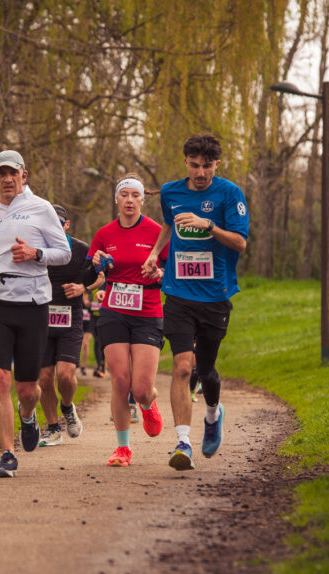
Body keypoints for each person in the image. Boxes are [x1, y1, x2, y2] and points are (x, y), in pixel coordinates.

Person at [142, 133, 248, 471]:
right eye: (194, 165)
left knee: (205, 369)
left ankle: (214, 414)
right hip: (178, 293)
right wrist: (154, 254)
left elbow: (240, 243)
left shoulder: (230, 194)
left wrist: (209, 225)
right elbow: (168, 226)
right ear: (185, 162)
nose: (200, 172)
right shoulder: (172, 192)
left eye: (206, 166)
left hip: (215, 295)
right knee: (182, 367)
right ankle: (183, 442)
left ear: (217, 164)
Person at [0, 149, 71, 477]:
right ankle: (7, 454)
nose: (8, 179)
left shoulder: (41, 209)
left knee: (27, 388)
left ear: (24, 175)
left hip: (32, 304)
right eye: (2, 174)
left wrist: (34, 252)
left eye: (14, 173)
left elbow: (64, 253)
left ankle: (28, 416)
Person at [89, 174, 169, 467]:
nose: (130, 201)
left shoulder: (157, 232)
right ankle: (122, 448)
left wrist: (160, 274)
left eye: (136, 195)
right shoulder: (104, 234)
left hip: (147, 311)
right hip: (114, 311)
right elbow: (91, 271)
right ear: (117, 200)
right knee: (120, 381)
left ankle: (148, 403)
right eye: (125, 195)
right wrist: (95, 264)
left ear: (142, 200)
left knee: (140, 388)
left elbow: (171, 271)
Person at [37, 204, 99, 447]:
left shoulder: (82, 250)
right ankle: (53, 428)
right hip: (41, 318)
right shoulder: (37, 248)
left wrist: (83, 288)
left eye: (59, 224)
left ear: (67, 225)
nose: (55, 228)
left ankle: (67, 407)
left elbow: (101, 277)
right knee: (44, 378)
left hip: (69, 318)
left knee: (65, 375)